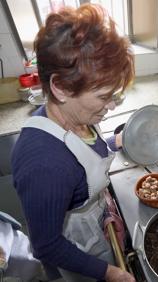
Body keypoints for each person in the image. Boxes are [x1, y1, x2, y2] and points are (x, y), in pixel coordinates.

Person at [12, 3, 135, 282]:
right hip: (78, 251)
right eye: (105, 97)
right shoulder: (44, 165)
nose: (112, 106)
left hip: (96, 226)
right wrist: (110, 272)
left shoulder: (73, 114)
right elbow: (47, 246)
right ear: (61, 88)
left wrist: (114, 141)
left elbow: (81, 150)